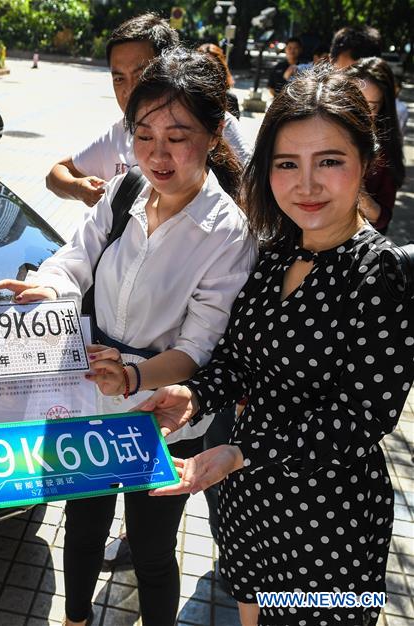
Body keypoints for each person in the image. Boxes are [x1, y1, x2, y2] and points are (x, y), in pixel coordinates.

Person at [141, 65, 414, 626]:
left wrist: (243, 451)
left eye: (329, 162)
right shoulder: (274, 250)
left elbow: (362, 418)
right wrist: (193, 395)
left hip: (328, 519)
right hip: (248, 496)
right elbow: (241, 360)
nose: (305, 185)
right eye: (287, 164)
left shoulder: (378, 272)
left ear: (365, 161)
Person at [0, 48, 257, 626]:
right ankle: (76, 619)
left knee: (153, 547)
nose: (157, 155)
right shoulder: (123, 193)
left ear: (215, 133)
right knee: (83, 527)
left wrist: (136, 375)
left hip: (167, 415)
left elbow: (197, 350)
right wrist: (49, 291)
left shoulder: (228, 233)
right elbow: (75, 259)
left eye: (177, 136)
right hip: (92, 395)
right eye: (143, 135)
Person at [46, 16, 252, 206]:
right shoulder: (119, 133)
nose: (129, 91)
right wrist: (81, 189)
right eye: (119, 78)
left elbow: (254, 193)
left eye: (177, 137)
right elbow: (56, 174)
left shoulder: (216, 125)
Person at [344, 57, 405, 233]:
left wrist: (360, 192)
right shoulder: (316, 132)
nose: (359, 113)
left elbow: (382, 218)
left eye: (371, 107)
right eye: (353, 102)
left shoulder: (384, 151)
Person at [198, 43, 240, 118]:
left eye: (213, 67)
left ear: (221, 69)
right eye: (202, 66)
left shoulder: (230, 99)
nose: (208, 72)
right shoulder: (186, 98)